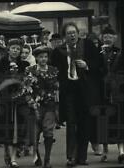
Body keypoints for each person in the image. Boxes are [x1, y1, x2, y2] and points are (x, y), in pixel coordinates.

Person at [52, 22, 100, 167]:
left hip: (85, 90)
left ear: (78, 34)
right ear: (64, 36)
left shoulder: (87, 45)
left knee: (85, 123)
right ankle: (71, 157)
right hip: (69, 91)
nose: (72, 35)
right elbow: (54, 70)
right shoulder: (58, 51)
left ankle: (82, 157)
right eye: (68, 33)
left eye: (74, 32)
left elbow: (99, 63)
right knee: (71, 124)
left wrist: (87, 65)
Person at [0, 38, 30, 168]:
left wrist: (19, 77)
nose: (15, 51)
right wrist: (9, 74)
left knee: (18, 129)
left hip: (19, 101)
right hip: (5, 101)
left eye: (18, 49)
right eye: (13, 48)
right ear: (8, 49)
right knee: (6, 127)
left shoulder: (24, 65)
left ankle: (14, 157)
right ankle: (7, 150)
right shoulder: (0, 64)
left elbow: (28, 83)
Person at [23, 45, 59, 168]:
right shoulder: (30, 70)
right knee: (35, 132)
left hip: (49, 105)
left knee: (48, 130)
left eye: (45, 57)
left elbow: (56, 88)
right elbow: (26, 88)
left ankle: (47, 159)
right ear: (36, 58)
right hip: (35, 105)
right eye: (40, 57)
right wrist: (30, 101)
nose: (43, 59)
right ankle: (37, 155)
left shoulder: (53, 70)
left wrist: (56, 102)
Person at [99, 26, 124, 163]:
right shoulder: (98, 53)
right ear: (102, 38)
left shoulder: (119, 53)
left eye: (110, 36)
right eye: (105, 36)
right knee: (103, 120)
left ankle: (121, 150)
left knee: (119, 119)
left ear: (115, 38)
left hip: (117, 93)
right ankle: (105, 150)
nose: (107, 38)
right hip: (102, 93)